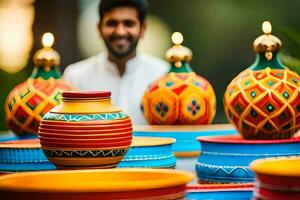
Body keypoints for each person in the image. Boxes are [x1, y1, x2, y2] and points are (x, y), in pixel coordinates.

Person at [63, 0, 169, 125]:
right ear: (99, 28)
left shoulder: (163, 76)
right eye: (112, 24)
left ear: (143, 29)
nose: (120, 32)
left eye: (128, 24)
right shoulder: (75, 77)